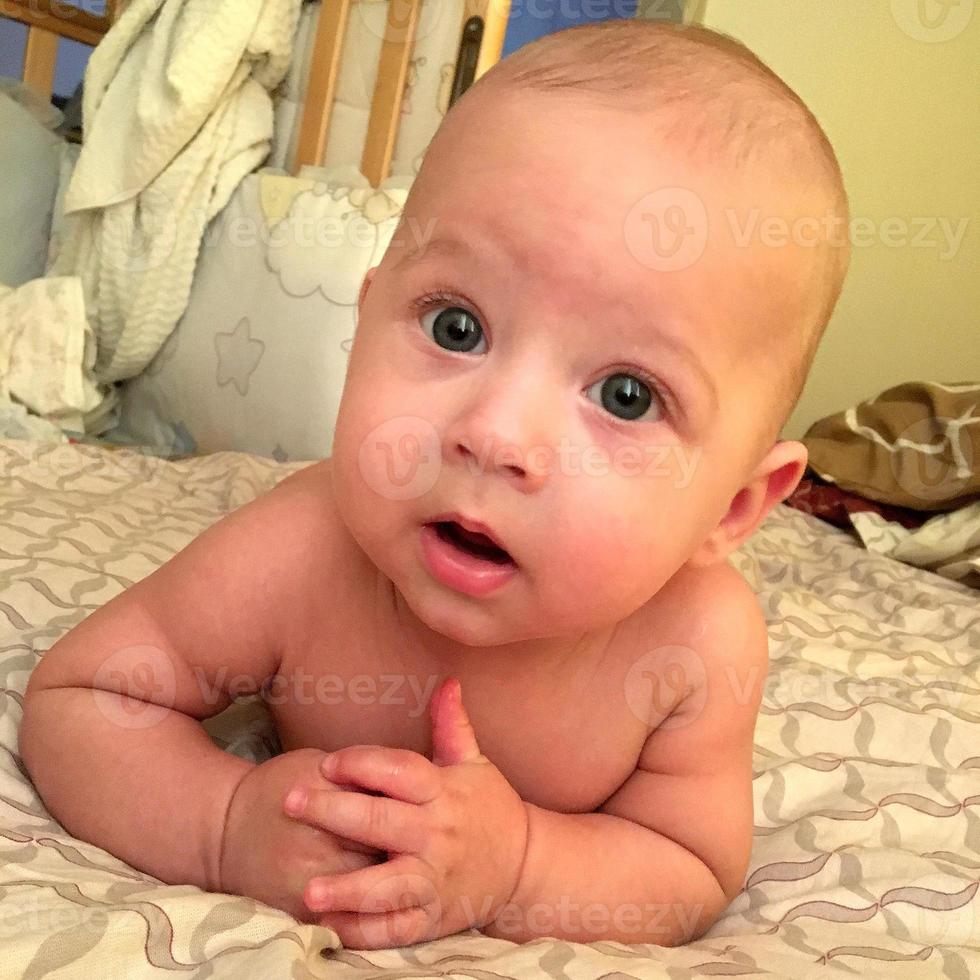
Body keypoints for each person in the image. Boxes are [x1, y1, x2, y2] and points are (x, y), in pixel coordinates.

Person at [20, 18, 850, 950]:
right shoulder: (302, 546)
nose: (495, 435)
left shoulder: (694, 650)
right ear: (368, 313)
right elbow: (82, 699)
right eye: (456, 327)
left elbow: (687, 867)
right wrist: (220, 822)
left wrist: (523, 863)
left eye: (626, 396)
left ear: (734, 507)